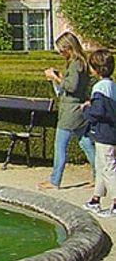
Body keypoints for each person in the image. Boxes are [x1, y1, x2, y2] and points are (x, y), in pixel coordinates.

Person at [40, 32, 96, 189]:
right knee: (86, 144)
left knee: (60, 146)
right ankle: (99, 176)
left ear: (69, 47)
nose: (60, 52)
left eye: (61, 49)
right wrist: (62, 76)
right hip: (77, 109)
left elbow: (71, 87)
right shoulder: (80, 62)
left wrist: (54, 78)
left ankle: (55, 180)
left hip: (70, 111)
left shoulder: (76, 63)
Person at [81, 49, 115, 218]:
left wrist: (86, 109)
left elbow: (99, 112)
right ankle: (95, 200)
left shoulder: (99, 87)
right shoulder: (111, 85)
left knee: (108, 168)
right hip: (109, 133)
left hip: (105, 133)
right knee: (101, 167)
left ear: (95, 69)